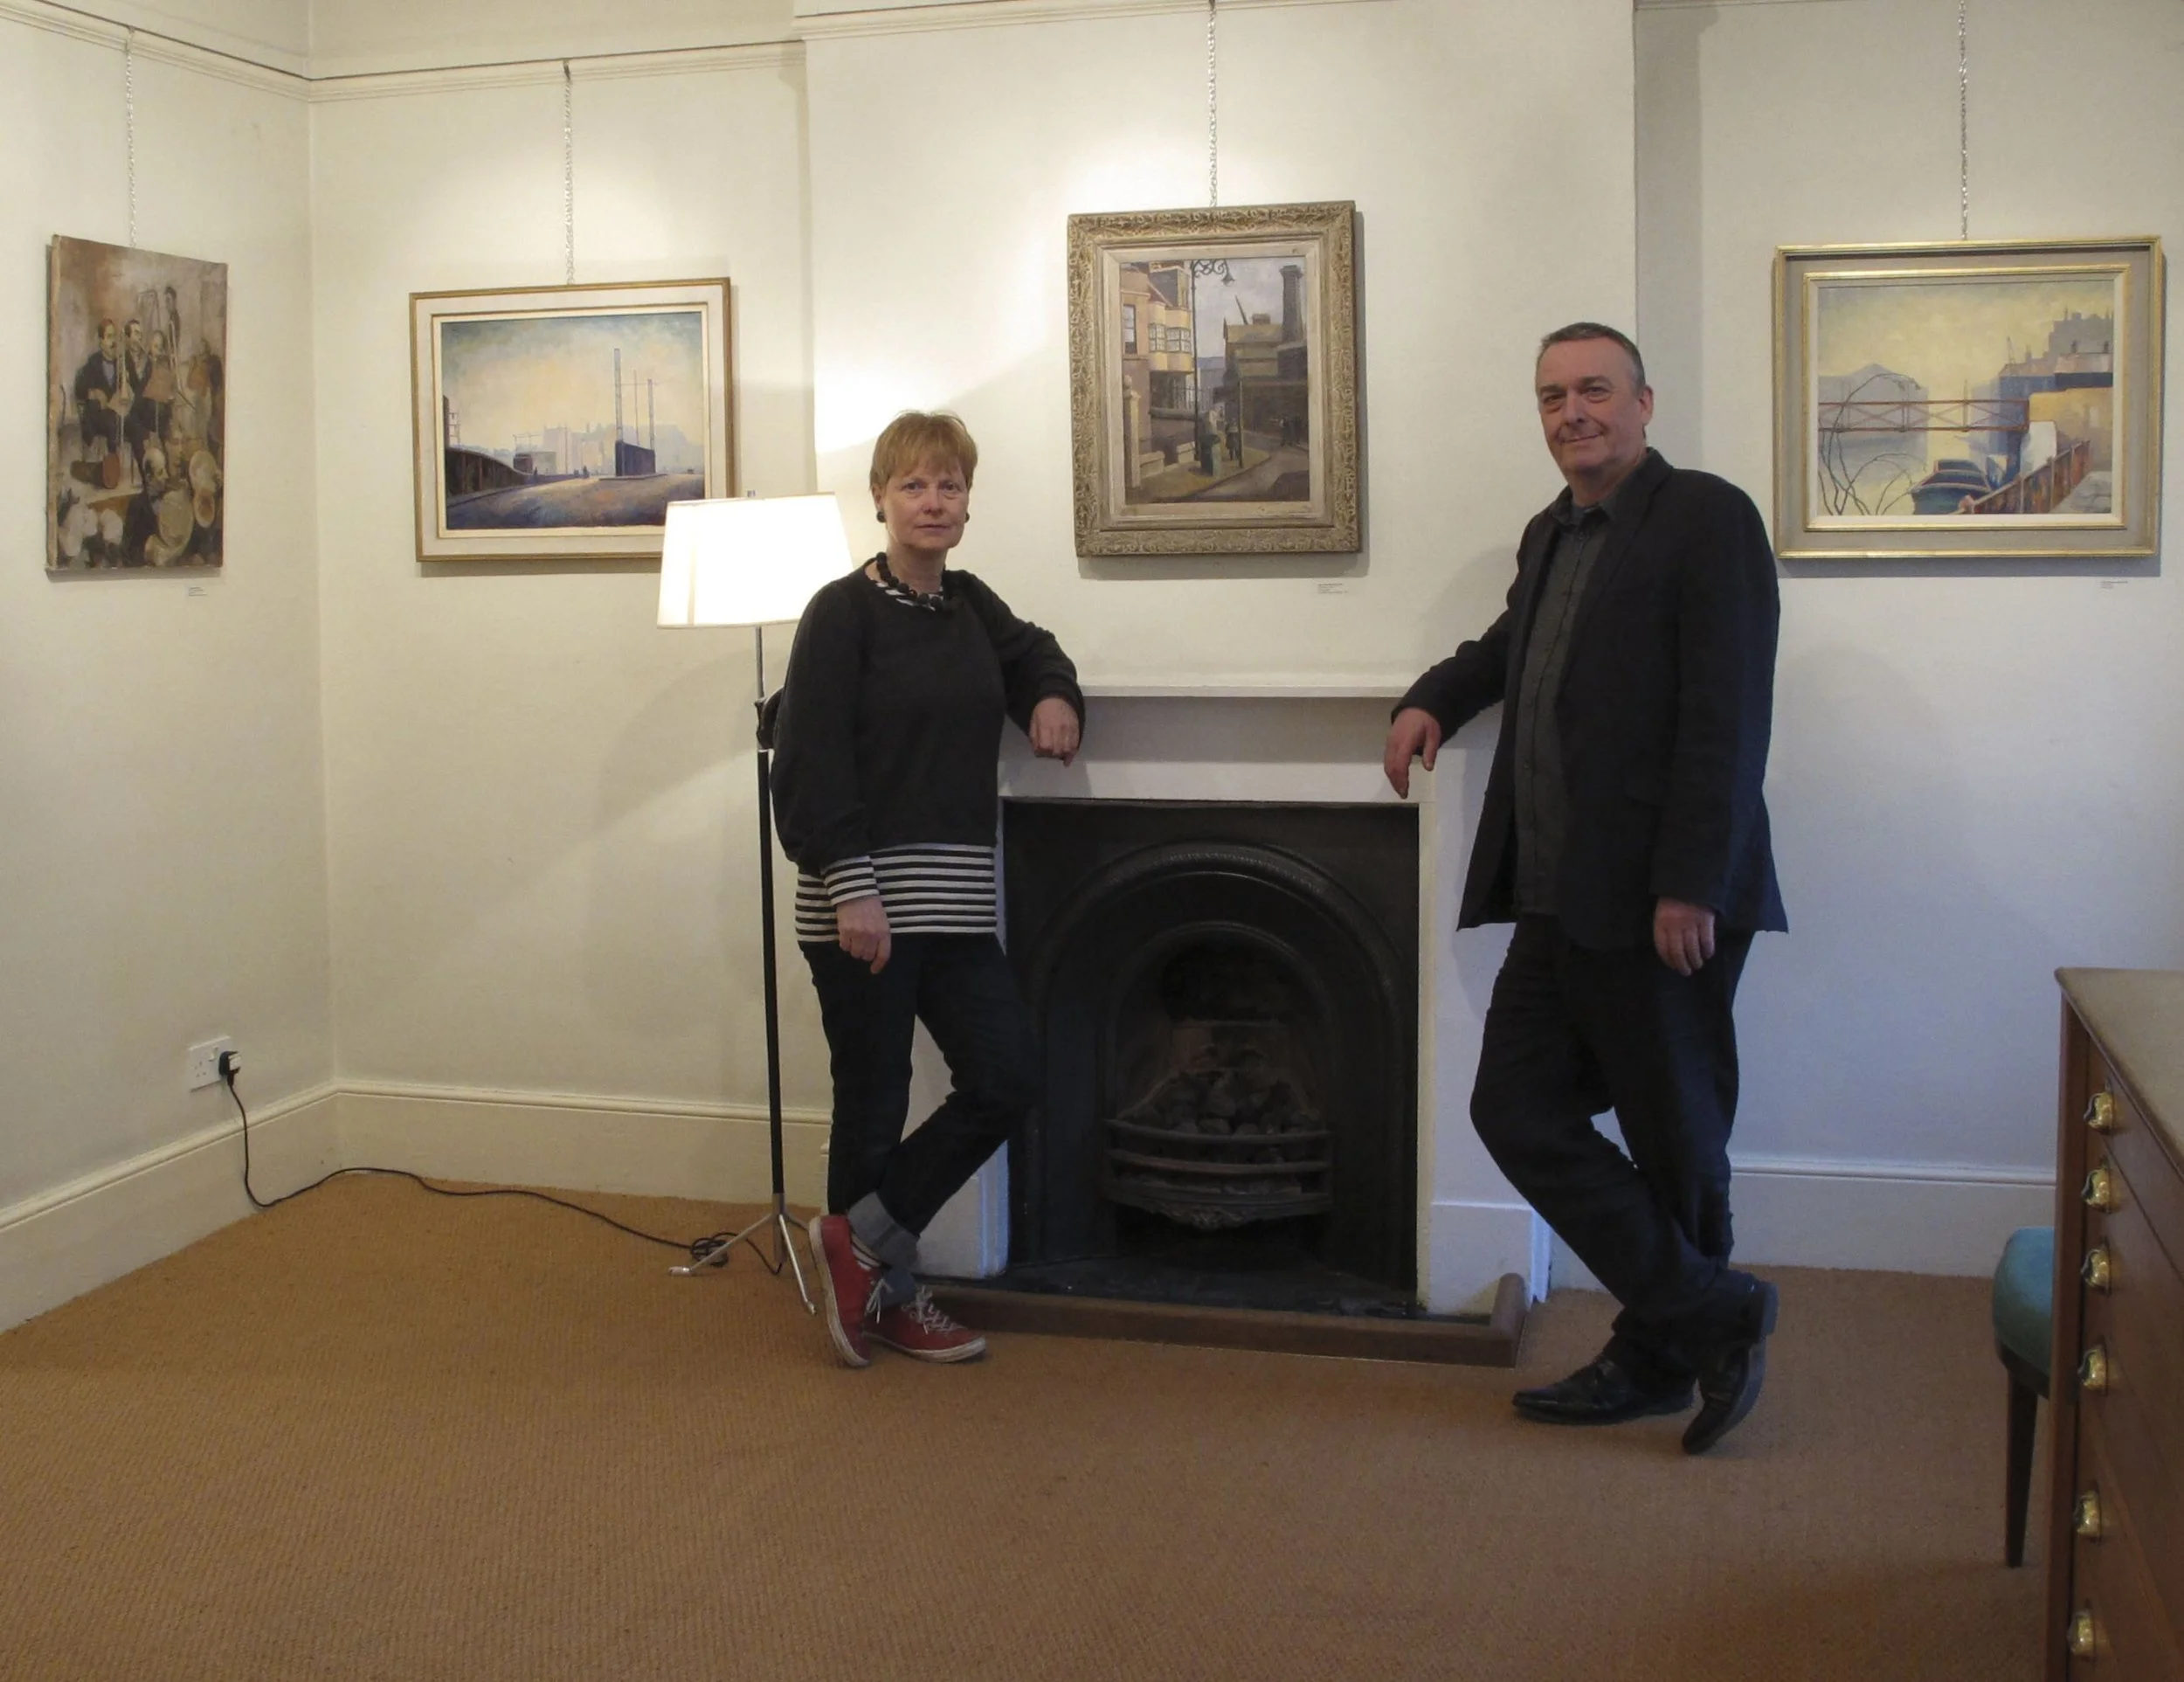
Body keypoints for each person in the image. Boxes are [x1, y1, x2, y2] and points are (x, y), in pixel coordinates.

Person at [1384, 323, 1787, 1454]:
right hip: (1558, 892)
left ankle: (1660, 1353)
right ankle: (1709, 1312)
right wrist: (1431, 697)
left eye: (1595, 389)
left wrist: (1689, 881)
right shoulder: (1551, 531)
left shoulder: (1705, 517)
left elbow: (1728, 713)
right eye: (1553, 395)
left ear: (1644, 403)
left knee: (1675, 1133)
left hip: (1661, 894)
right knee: (1514, 1108)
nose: (1573, 412)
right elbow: (1512, 646)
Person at [772, 411, 1084, 1368]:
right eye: (913, 484)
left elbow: (1035, 651)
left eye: (949, 484)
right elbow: (810, 759)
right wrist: (853, 889)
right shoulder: (841, 612)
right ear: (879, 498)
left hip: (952, 907)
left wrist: (1052, 695)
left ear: (967, 502)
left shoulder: (969, 605)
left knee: (1007, 1076)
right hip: (860, 905)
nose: (933, 501)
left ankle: (861, 1244)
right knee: (873, 1102)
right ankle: (888, 1297)